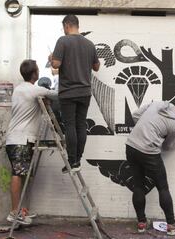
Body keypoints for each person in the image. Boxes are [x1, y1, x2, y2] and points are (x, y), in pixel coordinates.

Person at [125, 101, 175, 236]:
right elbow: (167, 146)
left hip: (131, 146)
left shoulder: (160, 104)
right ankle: (172, 226)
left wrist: (146, 129)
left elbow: (135, 115)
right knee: (163, 188)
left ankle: (141, 223)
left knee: (138, 186)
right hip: (149, 153)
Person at [5, 59, 57, 225]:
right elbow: (56, 95)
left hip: (16, 139)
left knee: (21, 174)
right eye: (38, 70)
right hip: (20, 139)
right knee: (17, 174)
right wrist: (59, 74)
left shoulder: (19, 89)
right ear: (35, 73)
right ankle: (14, 212)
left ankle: (21, 210)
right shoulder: (33, 90)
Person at [49, 14, 100, 172]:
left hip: (68, 93)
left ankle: (73, 161)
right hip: (85, 92)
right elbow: (96, 67)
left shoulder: (62, 41)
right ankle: (77, 159)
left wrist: (52, 58)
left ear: (66, 25)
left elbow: (56, 65)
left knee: (70, 125)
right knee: (80, 125)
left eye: (63, 27)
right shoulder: (89, 44)